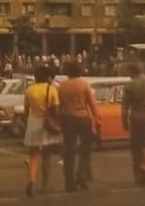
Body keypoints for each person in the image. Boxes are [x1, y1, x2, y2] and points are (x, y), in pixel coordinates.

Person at [57, 60, 100, 192]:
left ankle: (69, 182)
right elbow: (91, 103)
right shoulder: (84, 84)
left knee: (69, 151)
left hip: (68, 118)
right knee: (85, 150)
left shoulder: (62, 86)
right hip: (83, 118)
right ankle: (82, 178)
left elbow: (59, 106)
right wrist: (97, 118)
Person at [22, 65, 62, 197]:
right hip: (47, 124)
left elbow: (26, 110)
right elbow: (56, 110)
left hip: (33, 123)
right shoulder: (51, 89)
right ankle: (45, 186)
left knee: (33, 154)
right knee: (47, 156)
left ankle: (31, 179)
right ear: (48, 76)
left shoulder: (29, 90)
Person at [121, 62, 145, 186]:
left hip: (135, 116)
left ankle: (137, 176)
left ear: (132, 72)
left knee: (136, 147)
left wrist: (124, 121)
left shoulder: (129, 85)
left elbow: (125, 106)